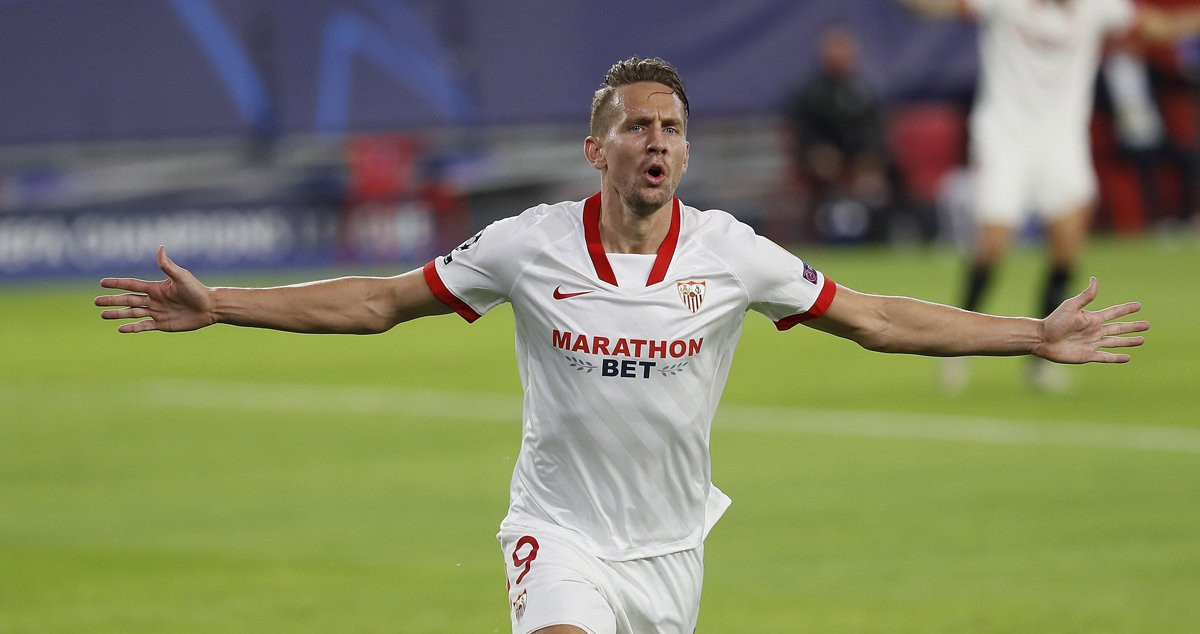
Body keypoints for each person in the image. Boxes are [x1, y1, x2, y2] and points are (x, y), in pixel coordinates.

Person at [95, 57, 1149, 634]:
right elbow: (379, 301)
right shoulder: (527, 245)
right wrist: (222, 303)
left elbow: (873, 316)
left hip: (672, 551)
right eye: (639, 126)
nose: (659, 142)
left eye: (674, 128)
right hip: (559, 537)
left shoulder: (731, 254)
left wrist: (1032, 332)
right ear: (596, 146)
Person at [898, 0, 1200, 392]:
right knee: (992, 247)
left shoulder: (1096, 9)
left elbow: (1159, 27)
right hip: (1004, 137)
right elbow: (937, 8)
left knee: (1067, 248)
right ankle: (957, 349)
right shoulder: (1005, 4)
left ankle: (1042, 360)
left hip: (1062, 142)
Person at [784, 25, 905, 243]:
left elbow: (874, 131)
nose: (841, 55)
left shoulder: (863, 89)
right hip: (822, 165)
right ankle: (821, 238)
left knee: (881, 181)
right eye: (835, 49)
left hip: (858, 162)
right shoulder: (810, 91)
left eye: (845, 49)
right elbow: (803, 132)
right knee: (824, 171)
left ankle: (881, 237)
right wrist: (817, 154)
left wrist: (870, 159)